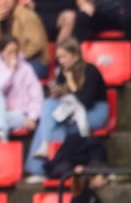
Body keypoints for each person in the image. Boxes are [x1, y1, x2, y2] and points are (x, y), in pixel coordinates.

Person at [24, 39, 109, 178]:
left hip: (94, 112)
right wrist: (56, 93)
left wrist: (69, 83)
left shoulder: (90, 70)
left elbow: (85, 102)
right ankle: (48, 159)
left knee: (53, 124)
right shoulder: (62, 72)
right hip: (70, 112)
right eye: (58, 58)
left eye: (64, 57)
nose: (61, 61)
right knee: (48, 106)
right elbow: (61, 102)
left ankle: (41, 169)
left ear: (75, 55)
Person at [0, 35, 43, 142]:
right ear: (1, 53)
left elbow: (36, 95)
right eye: (10, 52)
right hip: (0, 112)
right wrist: (9, 73)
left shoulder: (26, 69)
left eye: (16, 52)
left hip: (20, 114)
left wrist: (32, 117)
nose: (14, 55)